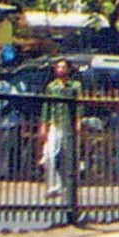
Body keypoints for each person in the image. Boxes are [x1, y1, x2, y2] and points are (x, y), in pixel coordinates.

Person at [38, 58, 81, 199]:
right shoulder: (52, 87)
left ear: (68, 69)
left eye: (63, 67)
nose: (60, 70)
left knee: (67, 156)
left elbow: (80, 106)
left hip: (68, 124)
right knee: (49, 154)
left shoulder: (75, 86)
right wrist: (44, 125)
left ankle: (66, 187)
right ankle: (52, 185)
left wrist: (78, 121)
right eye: (58, 67)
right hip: (55, 123)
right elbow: (47, 106)